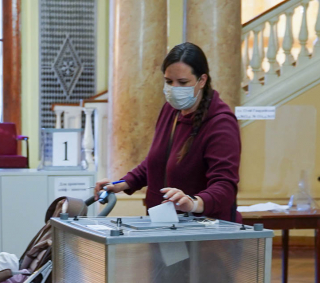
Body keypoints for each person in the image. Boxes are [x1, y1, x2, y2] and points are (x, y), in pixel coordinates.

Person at [95, 42, 241, 222]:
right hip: (164, 225)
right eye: (169, 81)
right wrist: (120, 184)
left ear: (202, 80)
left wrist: (192, 203)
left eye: (183, 82)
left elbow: (224, 186)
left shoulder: (221, 123)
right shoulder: (170, 111)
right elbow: (156, 161)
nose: (174, 88)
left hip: (205, 231)